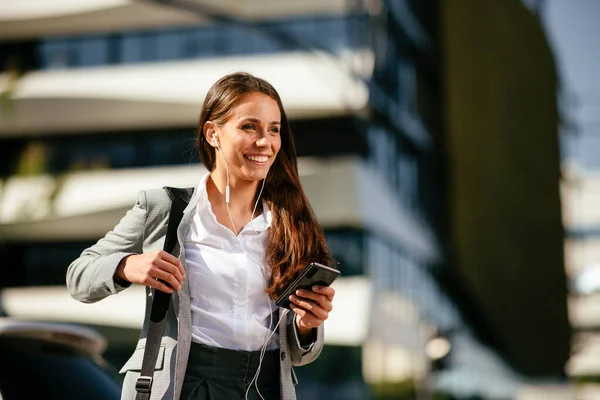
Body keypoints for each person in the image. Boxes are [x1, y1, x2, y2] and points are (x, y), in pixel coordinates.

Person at [66, 72, 336, 400]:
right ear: (213, 133)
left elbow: (296, 352)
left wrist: (307, 324)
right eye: (249, 127)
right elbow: (78, 277)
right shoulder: (165, 208)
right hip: (185, 384)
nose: (265, 142)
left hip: (265, 388)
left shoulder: (289, 224)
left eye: (274, 129)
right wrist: (128, 266)